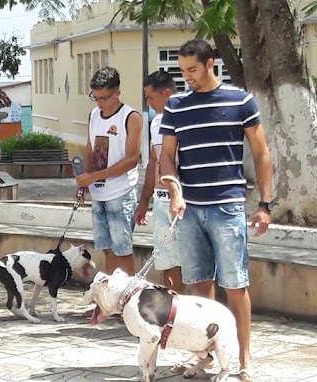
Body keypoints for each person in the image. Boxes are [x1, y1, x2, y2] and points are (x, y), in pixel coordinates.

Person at [160, 39, 272, 382]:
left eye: (191, 70)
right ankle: (206, 354)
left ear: (211, 64)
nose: (186, 77)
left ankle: (244, 357)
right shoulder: (176, 106)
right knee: (199, 287)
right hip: (189, 210)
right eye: (181, 71)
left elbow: (262, 153)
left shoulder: (241, 101)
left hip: (227, 206)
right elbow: (166, 156)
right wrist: (174, 190)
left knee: (236, 285)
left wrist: (265, 204)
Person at [76, 67, 142, 276]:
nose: (99, 103)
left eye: (104, 98)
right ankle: (110, 300)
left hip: (120, 192)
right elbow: (90, 147)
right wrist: (85, 181)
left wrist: (93, 177)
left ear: (117, 93)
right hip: (98, 192)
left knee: (122, 249)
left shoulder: (131, 117)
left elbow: (131, 160)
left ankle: (127, 300)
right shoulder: (94, 114)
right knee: (106, 248)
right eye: (95, 97)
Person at [135, 71, 184, 293]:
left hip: (183, 204)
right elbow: (154, 162)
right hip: (161, 201)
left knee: (189, 262)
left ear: (166, 93)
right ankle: (171, 312)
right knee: (166, 261)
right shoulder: (155, 123)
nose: (148, 103)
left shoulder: (186, 118)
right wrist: (144, 201)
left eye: (150, 97)